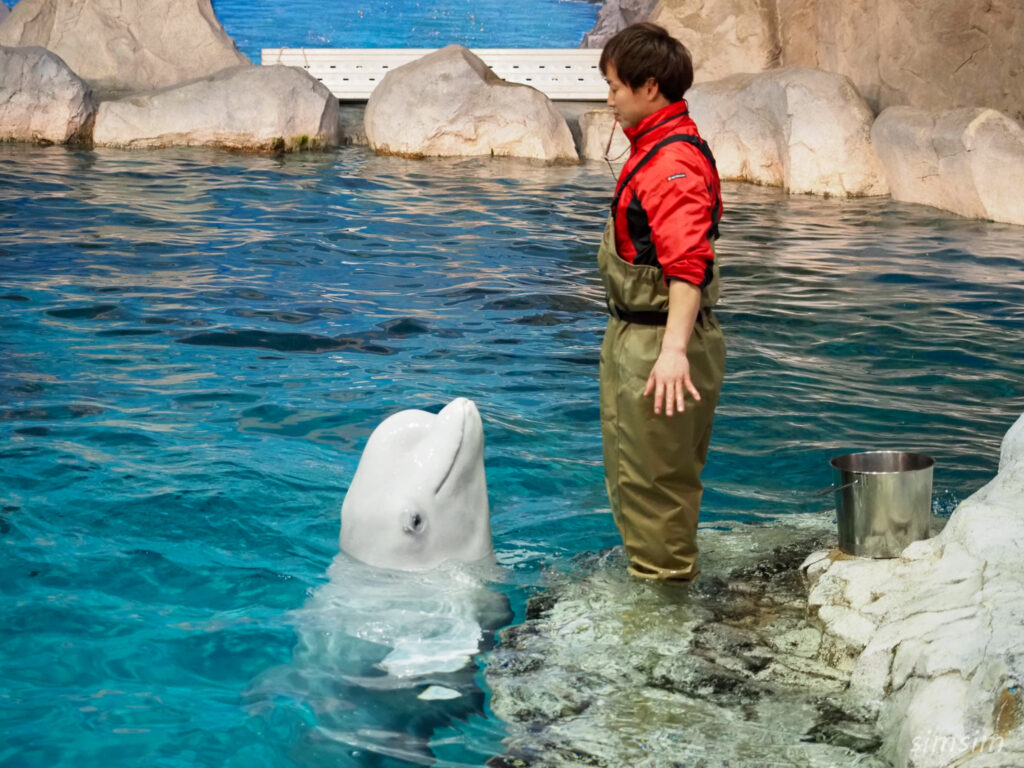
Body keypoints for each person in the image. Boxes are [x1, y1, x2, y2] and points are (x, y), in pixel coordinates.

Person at [597, 22, 725, 582]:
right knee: (651, 481)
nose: (609, 100)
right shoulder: (659, 149)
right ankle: (664, 587)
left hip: (658, 342)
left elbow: (687, 265)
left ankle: (662, 633)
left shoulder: (670, 166)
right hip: (652, 335)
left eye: (615, 87)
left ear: (650, 87)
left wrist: (672, 351)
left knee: (652, 491)